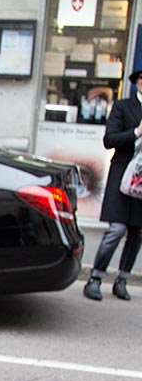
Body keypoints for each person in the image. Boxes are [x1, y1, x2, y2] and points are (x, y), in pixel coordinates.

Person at [84, 68, 142, 301]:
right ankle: (95, 278)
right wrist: (137, 132)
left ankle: (122, 280)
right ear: (137, 82)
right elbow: (110, 140)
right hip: (122, 172)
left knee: (136, 233)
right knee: (116, 229)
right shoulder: (123, 107)